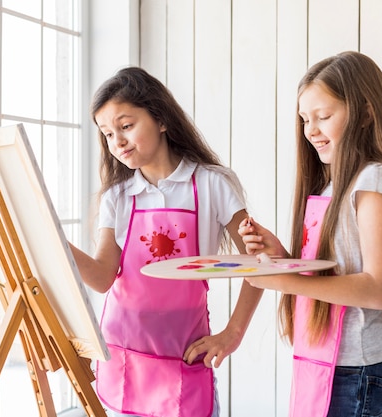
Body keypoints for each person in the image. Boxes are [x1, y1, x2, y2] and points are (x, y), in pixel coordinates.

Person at [238, 51, 382, 417]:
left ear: (365, 113)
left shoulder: (374, 179)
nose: (311, 130)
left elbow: (378, 289)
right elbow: (335, 266)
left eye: (323, 116)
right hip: (323, 355)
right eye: (305, 119)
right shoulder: (329, 187)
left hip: (355, 364)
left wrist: (283, 281)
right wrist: (281, 256)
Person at [69, 66, 263, 417]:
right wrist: (56, 245)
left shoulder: (212, 183)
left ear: (160, 119)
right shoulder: (118, 196)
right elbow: (101, 277)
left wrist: (232, 333)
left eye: (126, 126)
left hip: (182, 356)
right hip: (122, 355)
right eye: (108, 134)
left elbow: (261, 263)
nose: (119, 142)